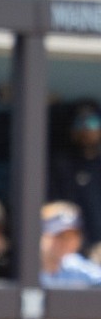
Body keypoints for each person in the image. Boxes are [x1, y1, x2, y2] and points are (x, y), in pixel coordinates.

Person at [48, 102, 101, 250]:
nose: (85, 129)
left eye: (92, 122)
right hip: (71, 250)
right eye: (79, 123)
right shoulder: (61, 166)